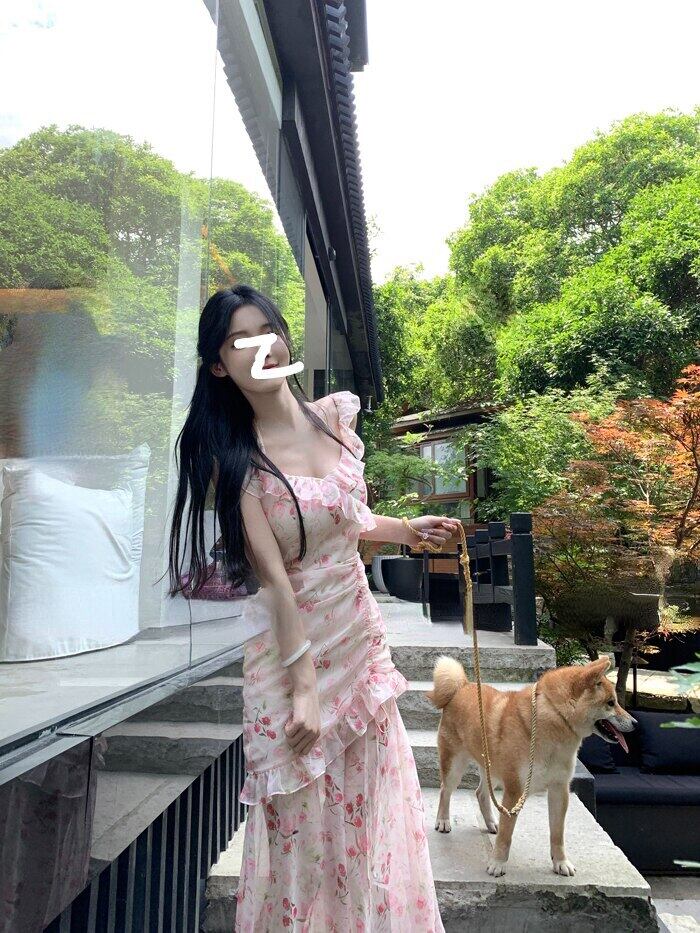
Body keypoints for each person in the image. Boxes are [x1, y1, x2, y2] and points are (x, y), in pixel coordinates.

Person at [168, 285, 459, 931]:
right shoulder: (237, 459)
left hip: (357, 645)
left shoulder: (332, 420)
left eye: (266, 329)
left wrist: (406, 530)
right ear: (219, 367)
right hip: (289, 660)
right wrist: (303, 688)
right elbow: (273, 579)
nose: (261, 346)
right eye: (240, 340)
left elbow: (343, 518)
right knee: (302, 847)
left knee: (365, 831)